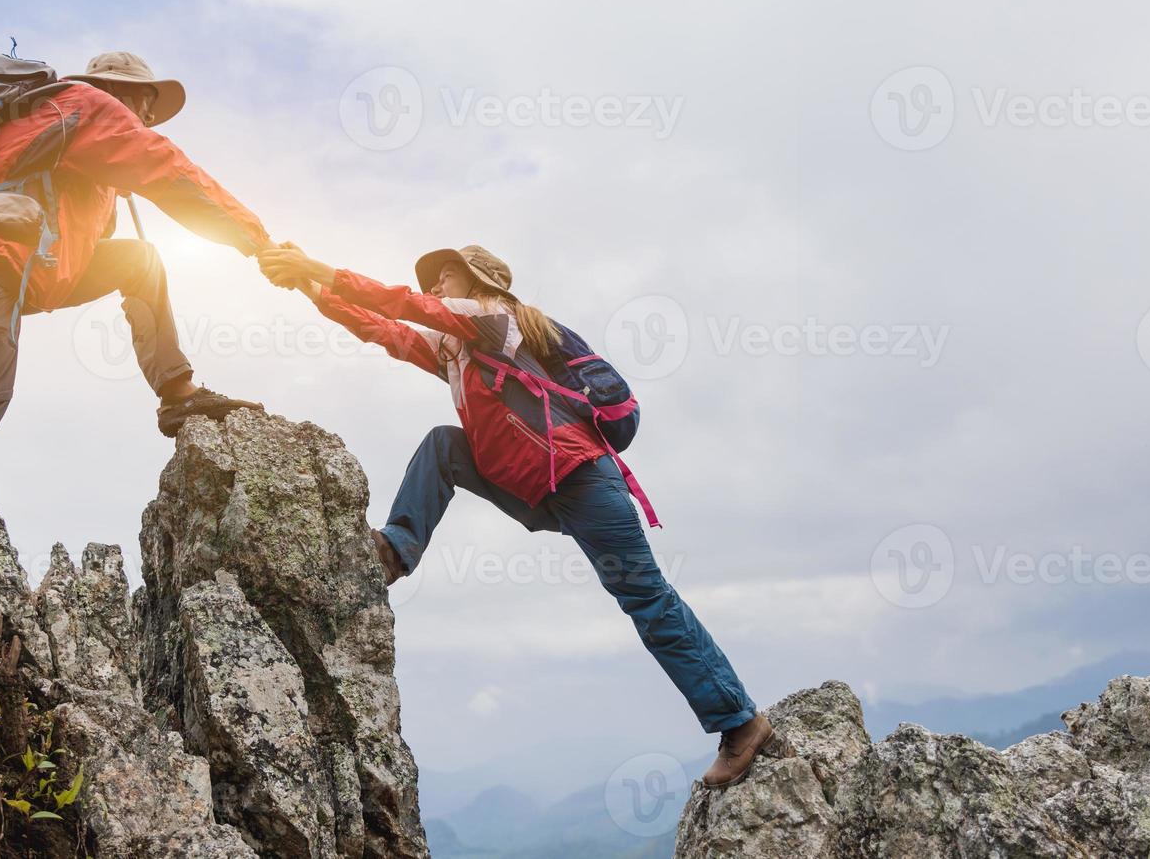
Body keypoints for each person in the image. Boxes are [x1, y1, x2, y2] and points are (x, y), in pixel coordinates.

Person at [255, 242, 773, 789]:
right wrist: (310, 288)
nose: (435, 288)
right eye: (432, 281)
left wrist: (316, 267)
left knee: (646, 599)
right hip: (533, 488)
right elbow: (387, 329)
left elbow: (404, 305)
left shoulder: (496, 319)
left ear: (479, 281)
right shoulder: (456, 349)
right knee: (443, 446)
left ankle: (740, 722)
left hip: (582, 479)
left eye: (446, 276)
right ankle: (395, 550)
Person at [0, 51, 269, 627]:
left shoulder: (75, 139)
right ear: (109, 91)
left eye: (150, 105)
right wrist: (255, 237)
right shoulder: (85, 108)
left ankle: (177, 393)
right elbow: (170, 171)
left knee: (139, 261)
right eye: (141, 99)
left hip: (18, 273)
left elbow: (80, 233)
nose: (146, 114)